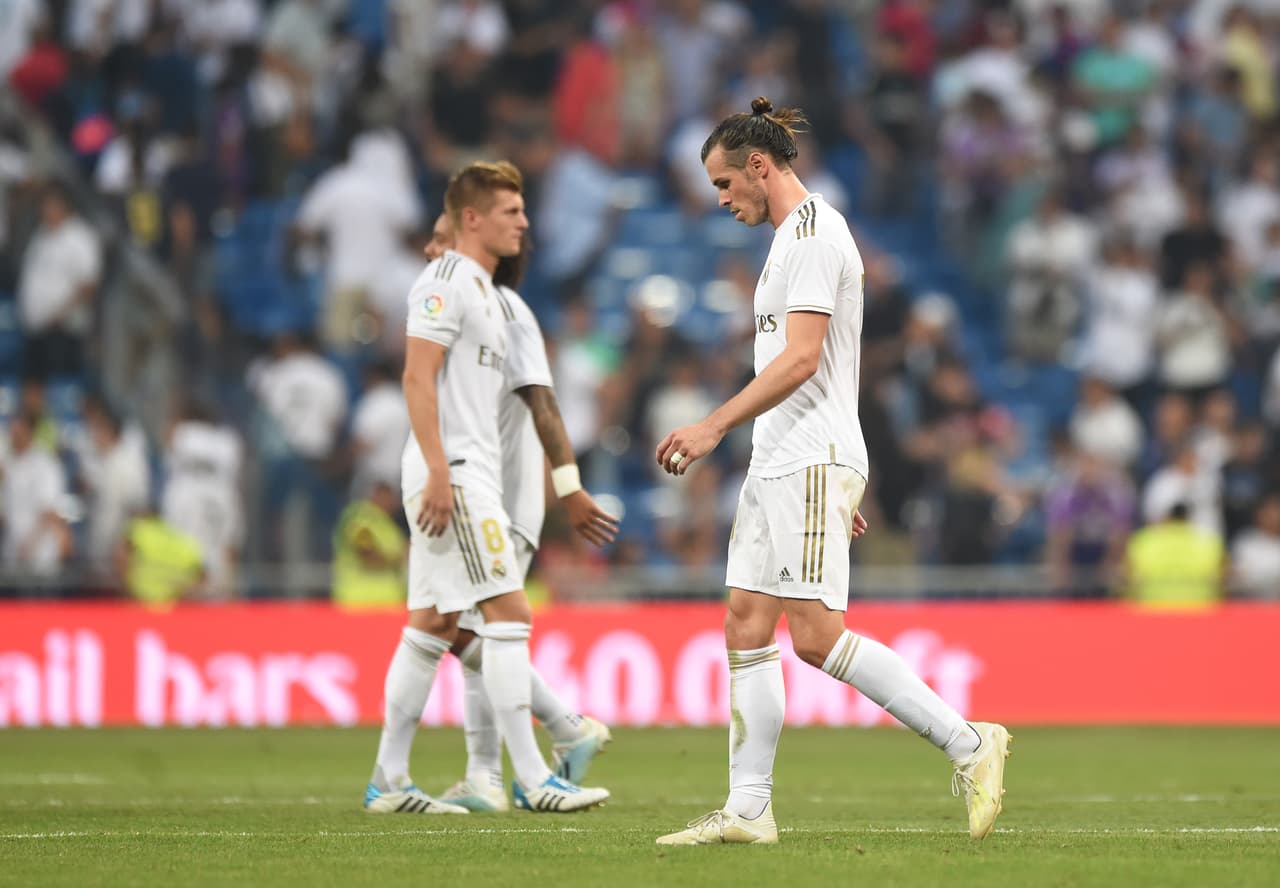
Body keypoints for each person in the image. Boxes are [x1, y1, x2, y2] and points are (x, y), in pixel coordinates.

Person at [654, 98, 1011, 846]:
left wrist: (715, 423)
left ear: (759, 166)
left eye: (725, 184)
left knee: (815, 637)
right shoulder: (788, 240)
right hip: (784, 459)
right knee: (746, 621)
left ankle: (969, 742)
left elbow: (804, 358)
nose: (721, 201)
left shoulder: (816, 232)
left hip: (807, 454)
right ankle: (749, 809)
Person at [364, 161, 610, 816]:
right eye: (511, 212)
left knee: (434, 623)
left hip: (468, 473)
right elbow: (417, 378)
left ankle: (389, 779)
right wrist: (441, 469)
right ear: (471, 219)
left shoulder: (491, 298)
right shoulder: (445, 281)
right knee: (508, 616)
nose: (525, 223)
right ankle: (531, 777)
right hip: (458, 473)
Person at [418, 212, 619, 813]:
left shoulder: (506, 311)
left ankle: (559, 729)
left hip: (504, 496)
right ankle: (491, 768)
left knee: (469, 627)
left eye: (440, 237)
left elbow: (545, 405)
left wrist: (569, 486)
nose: (429, 247)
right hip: (474, 491)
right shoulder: (447, 314)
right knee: (461, 628)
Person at [1125, 502, 1224, 608]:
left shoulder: (1145, 539)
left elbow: (1130, 576)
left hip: (1152, 605)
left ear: (1167, 518)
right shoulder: (1208, 541)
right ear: (1189, 519)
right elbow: (1221, 578)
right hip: (1200, 606)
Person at [331, 481, 407, 610]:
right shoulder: (362, 520)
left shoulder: (385, 523)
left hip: (385, 604)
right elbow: (368, 557)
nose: (391, 502)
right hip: (361, 603)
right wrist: (401, 555)